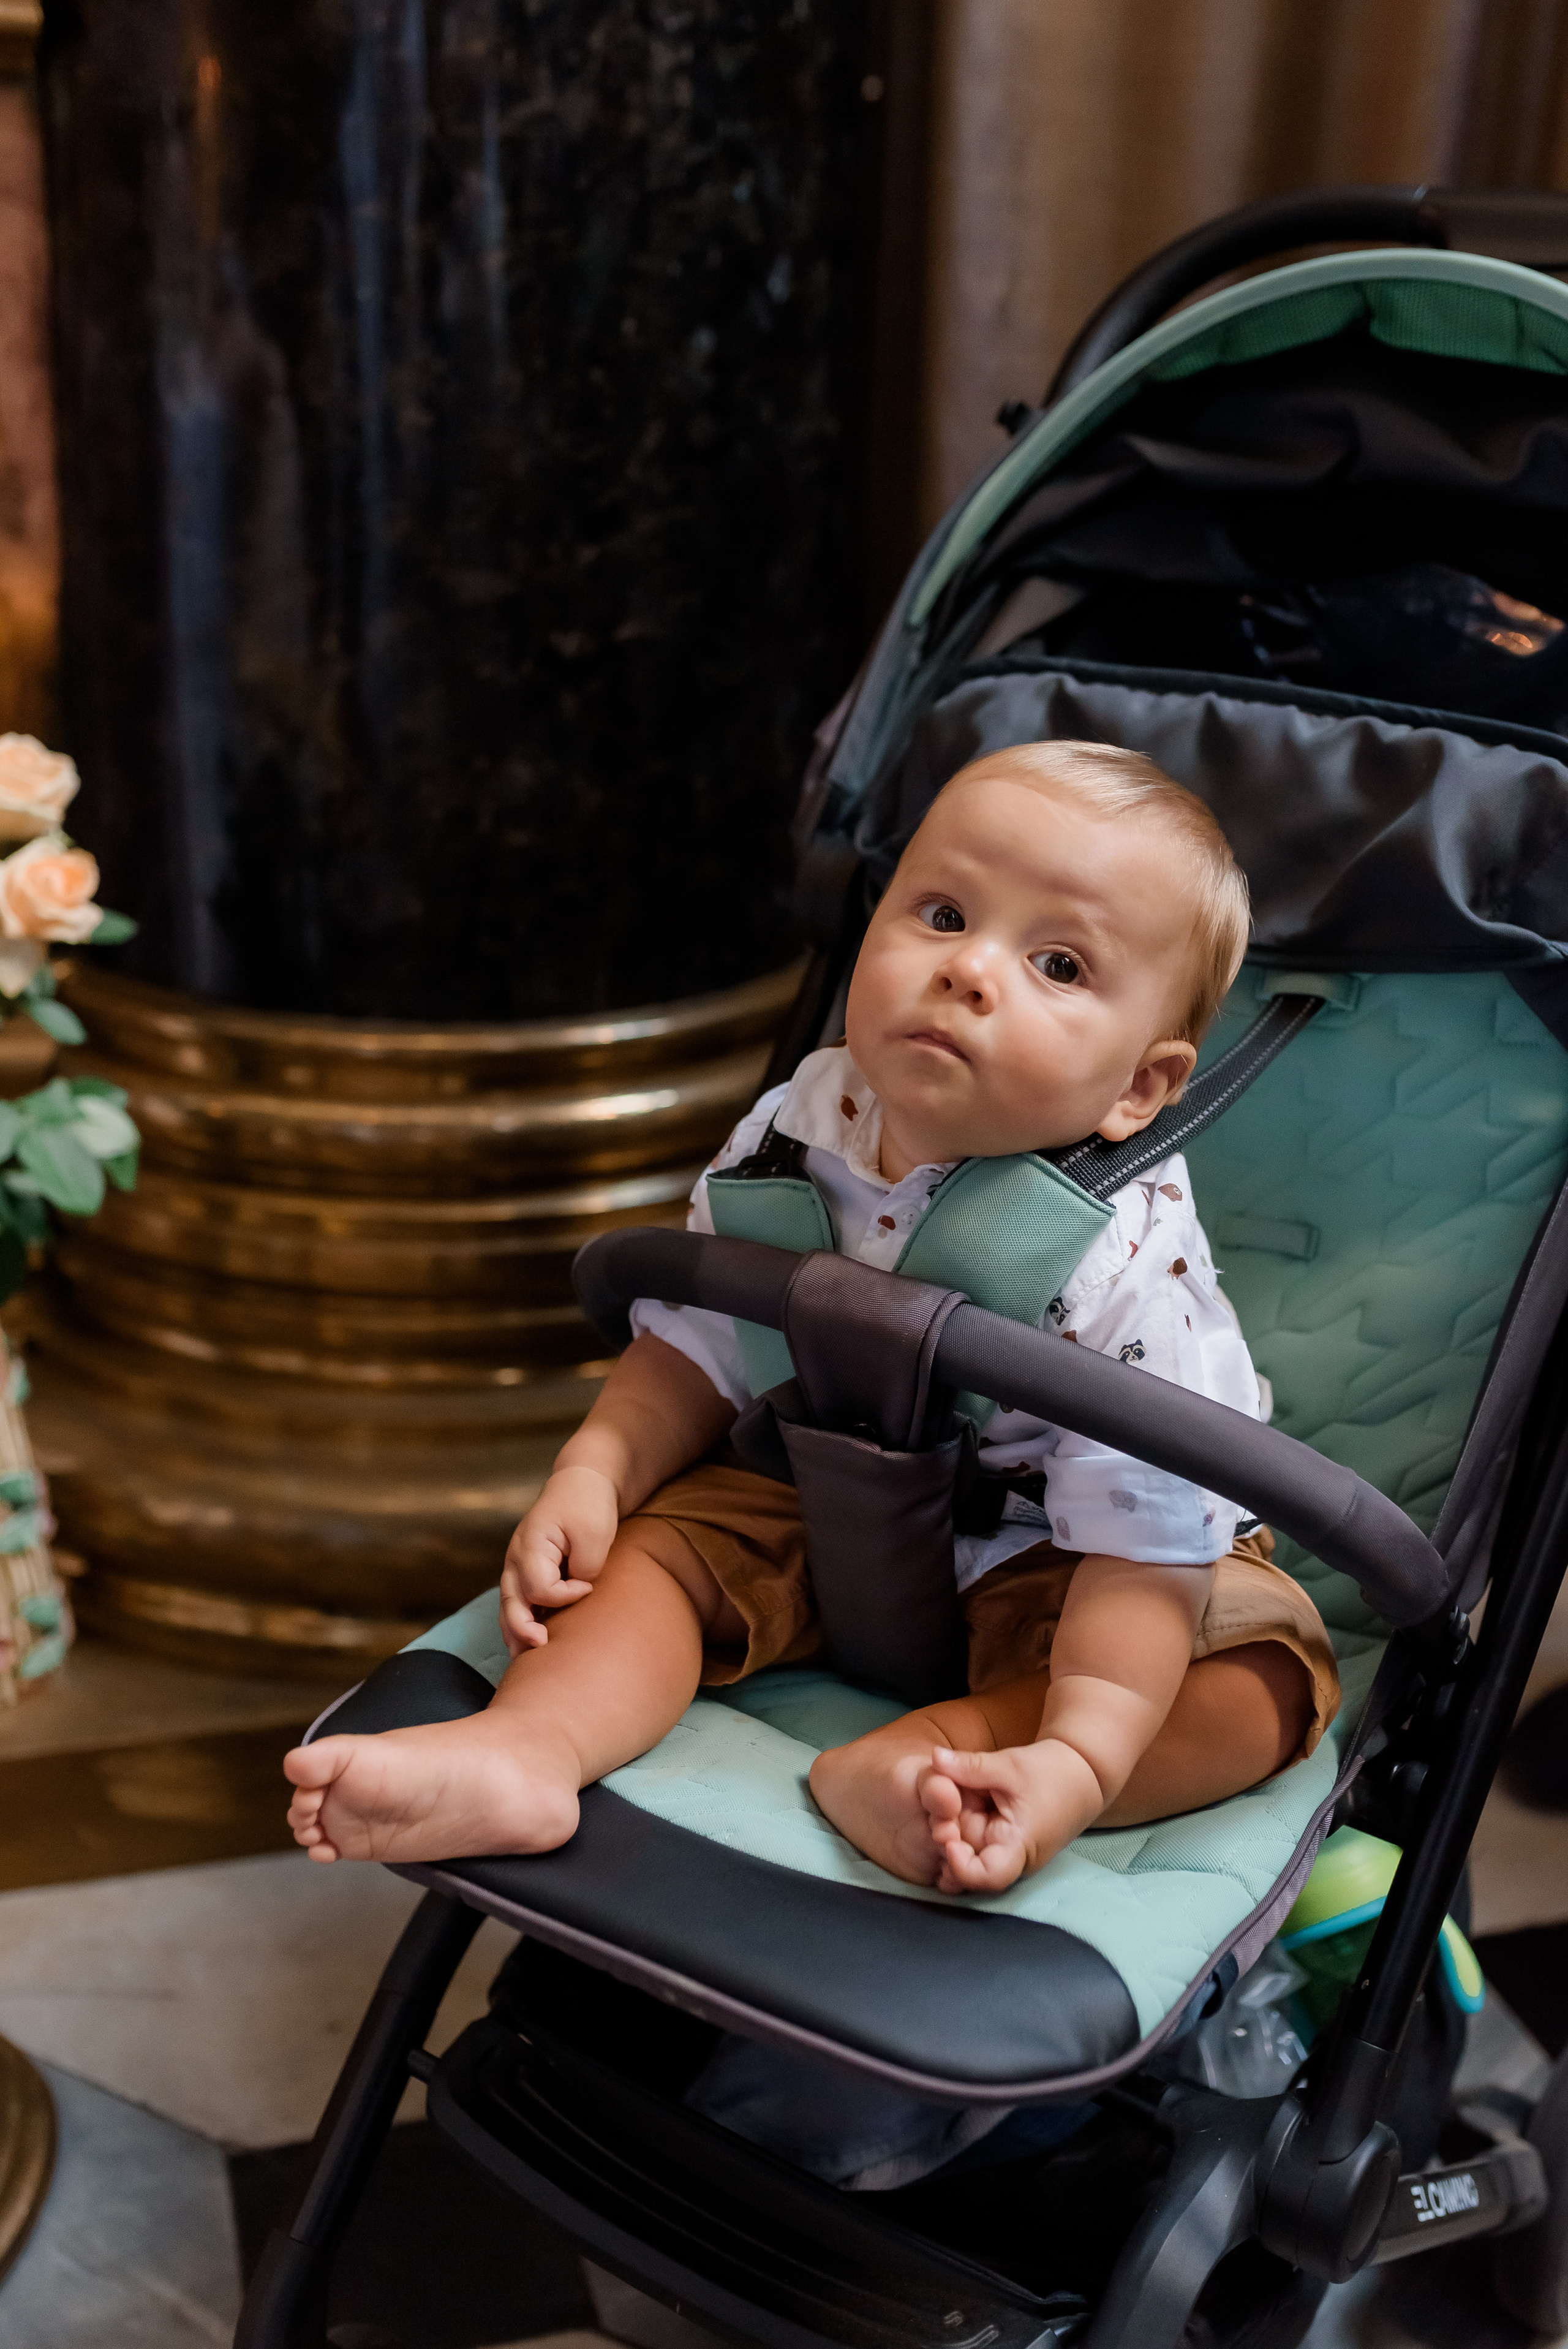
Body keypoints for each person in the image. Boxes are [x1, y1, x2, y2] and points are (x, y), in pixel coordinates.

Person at [284, 740, 1340, 1889]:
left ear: (1140, 1086)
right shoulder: (801, 1123)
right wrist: (595, 1468)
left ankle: (967, 1767)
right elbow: (699, 1340)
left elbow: (1144, 1546)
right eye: (941, 913)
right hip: (821, 1493)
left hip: (1069, 1555)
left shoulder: (1124, 1256)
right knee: (649, 1557)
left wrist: (1082, 1750)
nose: (970, 969)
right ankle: (529, 1751)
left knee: (1262, 1678)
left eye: (1058, 963)